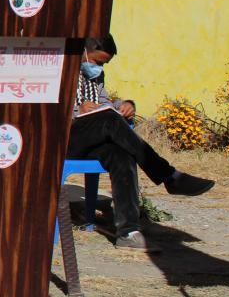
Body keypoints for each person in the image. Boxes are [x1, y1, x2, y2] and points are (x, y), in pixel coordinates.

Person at [69, 35, 213, 251]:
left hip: (90, 139)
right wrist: (75, 110)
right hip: (63, 140)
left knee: (122, 154)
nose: (99, 68)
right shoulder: (60, 71)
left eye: (104, 64)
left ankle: (128, 232)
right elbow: (44, 107)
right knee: (109, 120)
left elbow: (104, 102)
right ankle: (169, 176)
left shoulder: (94, 76)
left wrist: (125, 105)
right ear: (84, 51)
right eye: (98, 61)